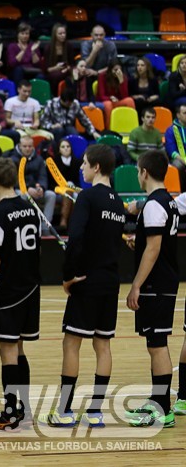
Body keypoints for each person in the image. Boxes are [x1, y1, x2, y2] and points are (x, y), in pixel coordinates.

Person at [39, 144, 125, 428]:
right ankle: (95, 412)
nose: (81, 167)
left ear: (96, 167)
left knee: (71, 344)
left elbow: (75, 239)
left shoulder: (87, 197)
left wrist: (68, 276)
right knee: (103, 345)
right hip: (110, 281)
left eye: (85, 163)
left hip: (86, 280)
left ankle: (64, 410)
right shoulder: (118, 202)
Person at [0, 156, 40, 431]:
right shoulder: (30, 209)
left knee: (8, 351)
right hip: (31, 288)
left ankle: (11, 412)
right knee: (19, 348)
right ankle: (23, 410)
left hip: (10, 290)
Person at [125, 150, 178, 427]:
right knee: (154, 344)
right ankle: (158, 400)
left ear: (144, 172)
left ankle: (163, 409)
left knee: (158, 345)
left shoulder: (155, 204)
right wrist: (139, 243)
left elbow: (155, 249)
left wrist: (136, 285)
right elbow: (155, 243)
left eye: (137, 170)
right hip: (162, 282)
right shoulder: (167, 201)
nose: (138, 175)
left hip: (156, 284)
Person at [51, 138, 82, 231]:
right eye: (63, 147)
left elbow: (78, 181)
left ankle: (69, 223)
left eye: (68, 146)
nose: (66, 148)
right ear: (59, 149)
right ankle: (65, 221)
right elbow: (51, 181)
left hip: (73, 190)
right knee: (69, 187)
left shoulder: (77, 162)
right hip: (57, 190)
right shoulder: (54, 162)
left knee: (75, 194)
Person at [96, 60, 135, 124]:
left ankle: (131, 124)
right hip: (106, 101)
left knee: (129, 100)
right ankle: (109, 127)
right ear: (110, 70)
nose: (117, 72)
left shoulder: (123, 77)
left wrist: (121, 81)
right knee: (108, 104)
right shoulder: (102, 76)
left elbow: (125, 96)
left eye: (119, 70)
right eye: (115, 70)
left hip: (117, 101)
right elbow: (101, 96)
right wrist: (110, 98)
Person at [43, 23, 76, 92]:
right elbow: (46, 69)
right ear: (55, 35)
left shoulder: (69, 46)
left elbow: (72, 64)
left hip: (66, 71)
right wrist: (56, 68)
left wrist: (67, 68)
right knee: (55, 76)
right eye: (60, 34)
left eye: (64, 33)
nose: (63, 35)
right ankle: (54, 95)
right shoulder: (48, 48)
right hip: (52, 71)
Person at [165, 104, 186, 186]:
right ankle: (182, 189)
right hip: (178, 158)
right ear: (178, 115)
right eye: (185, 113)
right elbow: (171, 150)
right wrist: (184, 160)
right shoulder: (171, 130)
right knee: (177, 166)